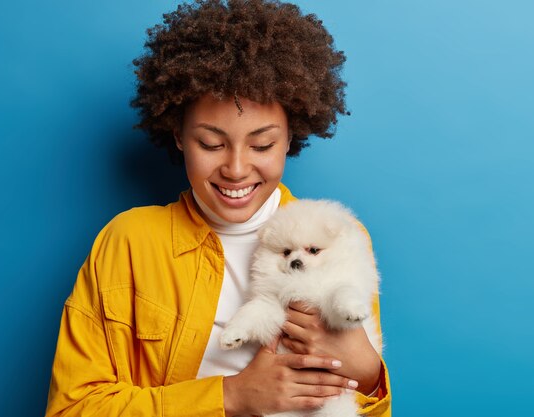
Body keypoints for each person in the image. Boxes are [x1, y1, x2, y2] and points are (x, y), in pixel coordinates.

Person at [45, 1, 391, 416]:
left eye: (262, 144)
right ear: (177, 135)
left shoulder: (340, 234)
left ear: (290, 138)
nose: (236, 169)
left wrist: (369, 374)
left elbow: (363, 404)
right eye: (211, 143)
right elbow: (73, 407)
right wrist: (230, 396)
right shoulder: (130, 242)